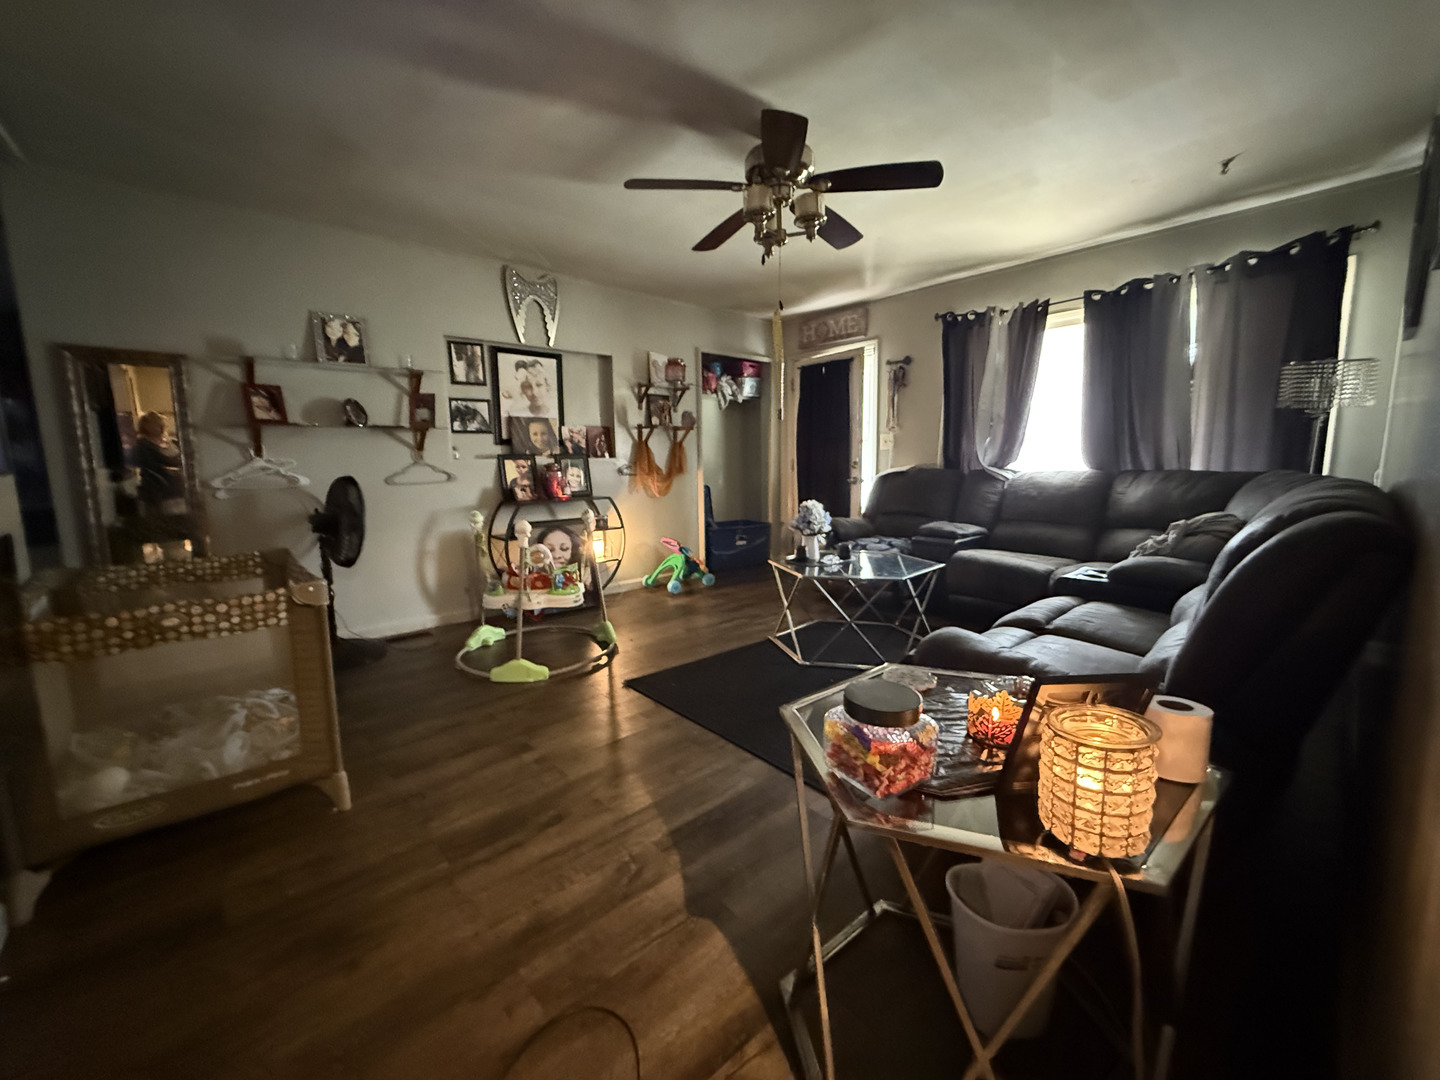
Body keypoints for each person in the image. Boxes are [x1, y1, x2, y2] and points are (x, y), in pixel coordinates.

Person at [131, 411, 185, 513]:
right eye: (155, 423)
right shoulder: (143, 446)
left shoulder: (173, 442)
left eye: (160, 423)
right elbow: (151, 467)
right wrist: (170, 470)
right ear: (145, 426)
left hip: (179, 490)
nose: (159, 426)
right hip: (159, 493)